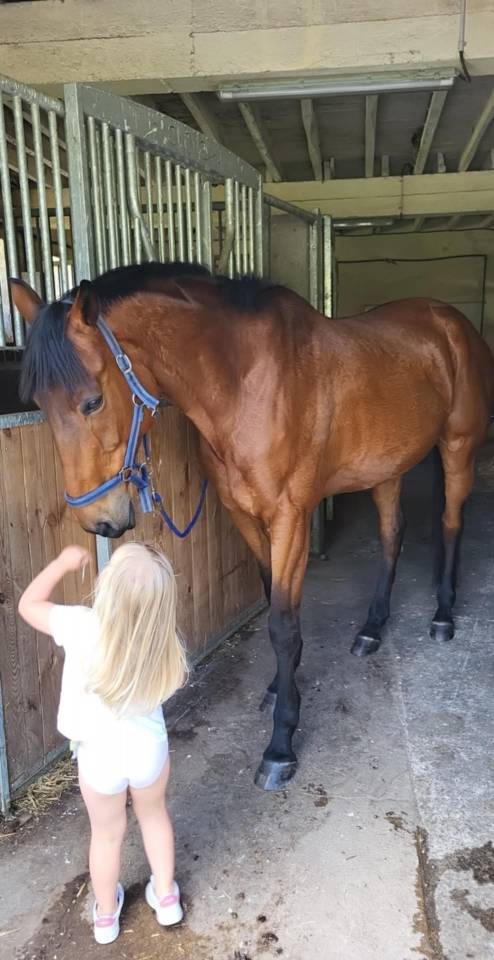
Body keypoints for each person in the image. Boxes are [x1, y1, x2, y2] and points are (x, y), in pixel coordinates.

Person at [18, 541, 187, 945]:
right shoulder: (161, 642)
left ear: (106, 587)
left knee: (107, 834)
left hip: (99, 757)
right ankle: (166, 899)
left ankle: (106, 917)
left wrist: (61, 563)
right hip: (148, 752)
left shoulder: (80, 624)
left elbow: (28, 604)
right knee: (154, 816)